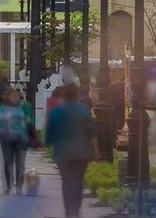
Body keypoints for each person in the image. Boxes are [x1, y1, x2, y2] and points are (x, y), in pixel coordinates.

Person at [45, 83, 99, 218]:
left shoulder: (56, 111)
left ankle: (68, 210)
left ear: (64, 94)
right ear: (77, 94)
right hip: (81, 153)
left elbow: (49, 134)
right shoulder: (84, 110)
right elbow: (92, 133)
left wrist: (48, 142)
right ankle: (76, 210)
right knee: (78, 181)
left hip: (63, 153)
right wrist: (96, 151)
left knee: (66, 182)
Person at [0, 89, 30, 195]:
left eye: (17, 96)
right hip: (6, 139)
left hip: (21, 138)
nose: (15, 98)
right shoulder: (2, 108)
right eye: (13, 96)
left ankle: (19, 186)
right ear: (8, 97)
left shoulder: (23, 107)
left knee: (20, 163)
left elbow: (30, 120)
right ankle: (8, 184)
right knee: (8, 162)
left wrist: (28, 120)